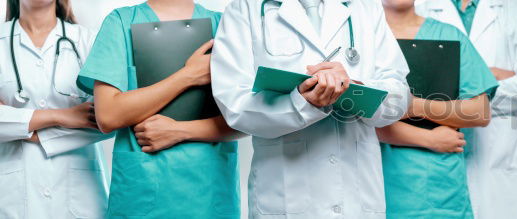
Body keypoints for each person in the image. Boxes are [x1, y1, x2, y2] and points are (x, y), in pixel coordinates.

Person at [211, 0, 410, 217]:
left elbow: (399, 97)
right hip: (285, 197)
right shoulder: (245, 8)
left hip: (357, 196)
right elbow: (234, 105)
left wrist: (355, 89)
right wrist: (302, 104)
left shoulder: (365, 6)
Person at [76, 0, 241, 217]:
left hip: (210, 194)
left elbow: (250, 118)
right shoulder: (120, 22)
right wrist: (188, 76)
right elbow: (108, 116)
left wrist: (179, 131)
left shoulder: (224, 25)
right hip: (142, 194)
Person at [417, 0, 517, 218]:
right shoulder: (421, 10)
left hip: (503, 153)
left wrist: (454, 89)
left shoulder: (516, 10)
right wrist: (489, 78)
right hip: (440, 152)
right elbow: (414, 86)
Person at [377, 0, 498, 218]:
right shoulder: (360, 38)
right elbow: (352, 114)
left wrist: (412, 105)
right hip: (376, 178)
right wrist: (427, 138)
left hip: (437, 186)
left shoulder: (449, 36)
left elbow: (480, 111)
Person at [0, 0, 113, 218]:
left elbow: (111, 117)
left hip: (81, 198)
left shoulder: (89, 41)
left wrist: (15, 125)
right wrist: (63, 116)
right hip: (11, 198)